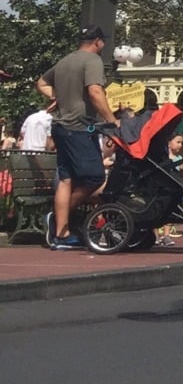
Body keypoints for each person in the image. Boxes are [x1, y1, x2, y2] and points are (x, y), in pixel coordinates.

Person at [35, 28, 123, 249]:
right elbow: (95, 91)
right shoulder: (92, 60)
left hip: (60, 127)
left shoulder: (65, 61)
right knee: (94, 177)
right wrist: (112, 119)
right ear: (98, 42)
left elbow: (41, 83)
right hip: (80, 127)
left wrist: (58, 97)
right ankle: (57, 218)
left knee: (66, 179)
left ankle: (61, 234)